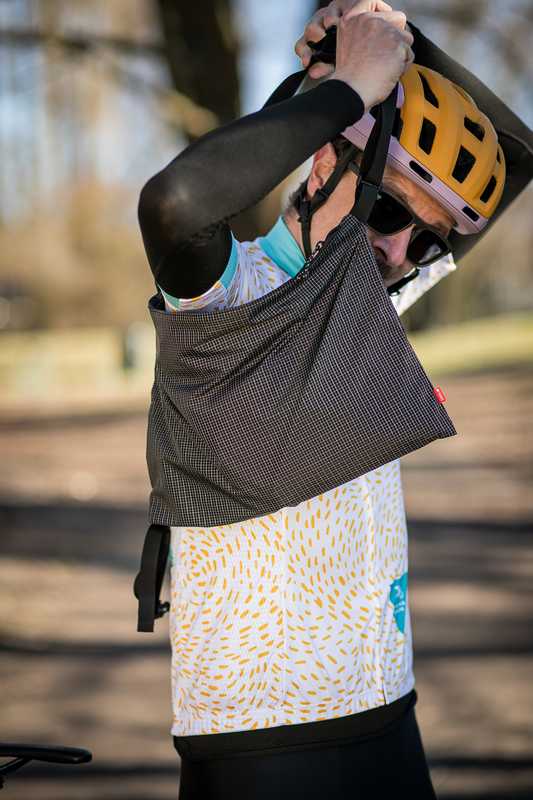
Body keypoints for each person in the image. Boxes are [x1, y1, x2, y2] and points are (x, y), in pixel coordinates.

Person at [137, 2, 504, 797]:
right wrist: (344, 88)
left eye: (427, 241)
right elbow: (175, 203)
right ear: (322, 160)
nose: (400, 251)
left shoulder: (370, 307)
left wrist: (366, 52)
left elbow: (501, 164)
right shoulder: (230, 294)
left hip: (390, 716)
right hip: (261, 745)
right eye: (389, 208)